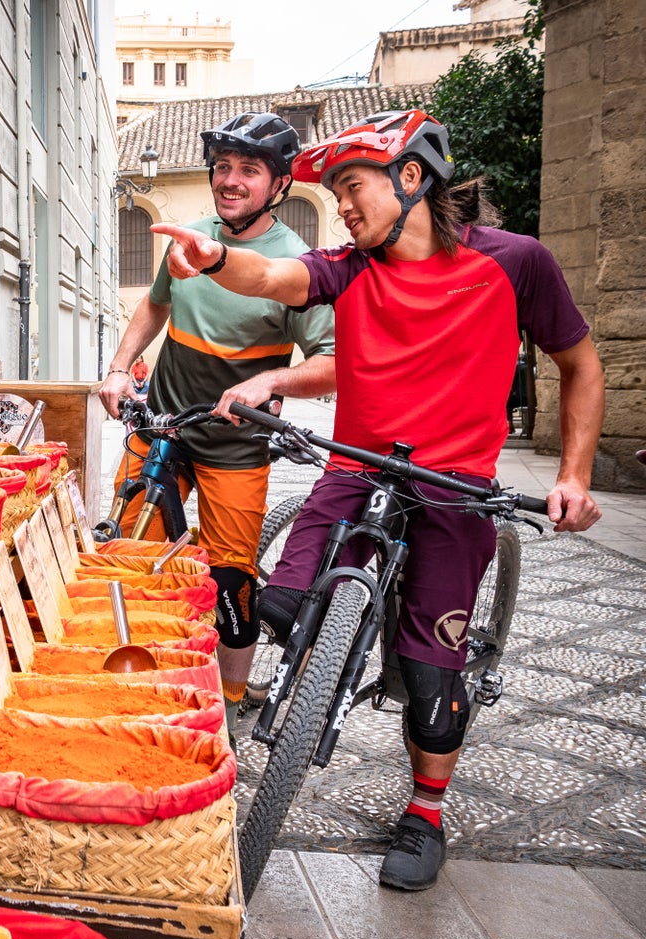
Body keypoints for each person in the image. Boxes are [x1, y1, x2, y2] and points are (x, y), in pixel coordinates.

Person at [151, 109, 604, 891]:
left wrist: (574, 476)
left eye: (352, 188)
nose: (342, 207)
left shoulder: (516, 262)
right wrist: (216, 258)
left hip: (456, 486)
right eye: (335, 193)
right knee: (278, 604)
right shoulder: (349, 266)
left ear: (411, 177)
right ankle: (331, 661)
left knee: (430, 678)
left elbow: (581, 364)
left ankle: (425, 813)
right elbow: (271, 277)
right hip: (357, 469)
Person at [99, 113, 337, 735]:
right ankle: (138, 683)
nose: (230, 180)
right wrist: (120, 368)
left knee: (233, 580)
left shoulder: (297, 263)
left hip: (236, 442)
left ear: (279, 184)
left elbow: (333, 362)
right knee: (129, 559)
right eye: (223, 167)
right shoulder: (189, 238)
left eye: (249, 170)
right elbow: (155, 304)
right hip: (163, 425)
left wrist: (272, 382)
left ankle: (228, 705)